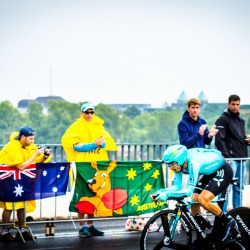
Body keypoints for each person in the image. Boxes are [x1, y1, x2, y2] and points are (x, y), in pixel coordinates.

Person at [151, 144, 235, 242]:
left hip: (223, 170)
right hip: (209, 172)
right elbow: (176, 187)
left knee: (203, 199)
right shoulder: (179, 165)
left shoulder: (193, 162)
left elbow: (189, 191)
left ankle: (228, 221)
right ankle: (201, 233)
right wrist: (161, 192)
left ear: (180, 160)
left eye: (171, 164)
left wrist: (167, 195)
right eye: (168, 164)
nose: (170, 167)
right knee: (194, 200)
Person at [61, 102, 118, 238]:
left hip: (95, 166)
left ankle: (90, 225)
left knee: (93, 195)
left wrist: (101, 144)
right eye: (87, 112)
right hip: (81, 166)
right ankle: (82, 227)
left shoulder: (98, 125)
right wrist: (94, 144)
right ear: (81, 113)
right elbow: (76, 146)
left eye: (92, 112)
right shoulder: (75, 127)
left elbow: (107, 143)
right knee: (82, 195)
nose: (90, 115)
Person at [0, 126, 52, 242]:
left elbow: (34, 162)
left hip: (21, 180)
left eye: (33, 139)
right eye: (31, 139)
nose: (33, 142)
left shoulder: (30, 146)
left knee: (22, 204)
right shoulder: (11, 147)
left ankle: (22, 230)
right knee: (9, 205)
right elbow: (21, 166)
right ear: (23, 137)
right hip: (8, 179)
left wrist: (44, 157)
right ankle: (4, 231)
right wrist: (35, 155)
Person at [177, 97, 218, 215]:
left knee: (199, 191)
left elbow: (206, 142)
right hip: (189, 161)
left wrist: (210, 135)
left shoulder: (202, 121)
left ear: (200, 109)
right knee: (190, 193)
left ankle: (197, 219)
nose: (195, 110)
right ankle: (187, 219)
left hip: (202, 161)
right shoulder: (182, 124)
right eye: (193, 108)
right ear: (188, 108)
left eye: (197, 108)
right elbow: (185, 143)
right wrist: (198, 134)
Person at [215, 94, 250, 212]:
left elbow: (237, 139)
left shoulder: (241, 120)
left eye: (237, 104)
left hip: (241, 159)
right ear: (228, 104)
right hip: (230, 160)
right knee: (226, 188)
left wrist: (247, 140)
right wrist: (227, 158)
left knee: (239, 188)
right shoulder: (222, 119)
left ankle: (238, 214)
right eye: (233, 104)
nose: (235, 107)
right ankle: (221, 214)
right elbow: (219, 140)